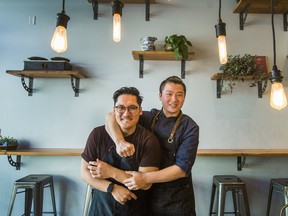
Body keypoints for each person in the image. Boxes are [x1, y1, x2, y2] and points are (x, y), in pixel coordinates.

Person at [105, 76, 199, 216]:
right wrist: (119, 142)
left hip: (176, 198)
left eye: (179, 95)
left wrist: (145, 178)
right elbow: (110, 117)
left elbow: (182, 168)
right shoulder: (148, 117)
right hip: (147, 194)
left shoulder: (190, 127)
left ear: (184, 98)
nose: (174, 99)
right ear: (160, 96)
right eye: (169, 94)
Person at [80, 86, 161, 216]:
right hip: (101, 208)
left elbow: (145, 184)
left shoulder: (148, 140)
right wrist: (112, 188)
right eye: (121, 107)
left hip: (134, 209)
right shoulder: (98, 134)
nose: (126, 113)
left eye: (132, 108)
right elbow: (84, 173)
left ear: (140, 110)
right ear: (114, 110)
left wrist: (111, 172)